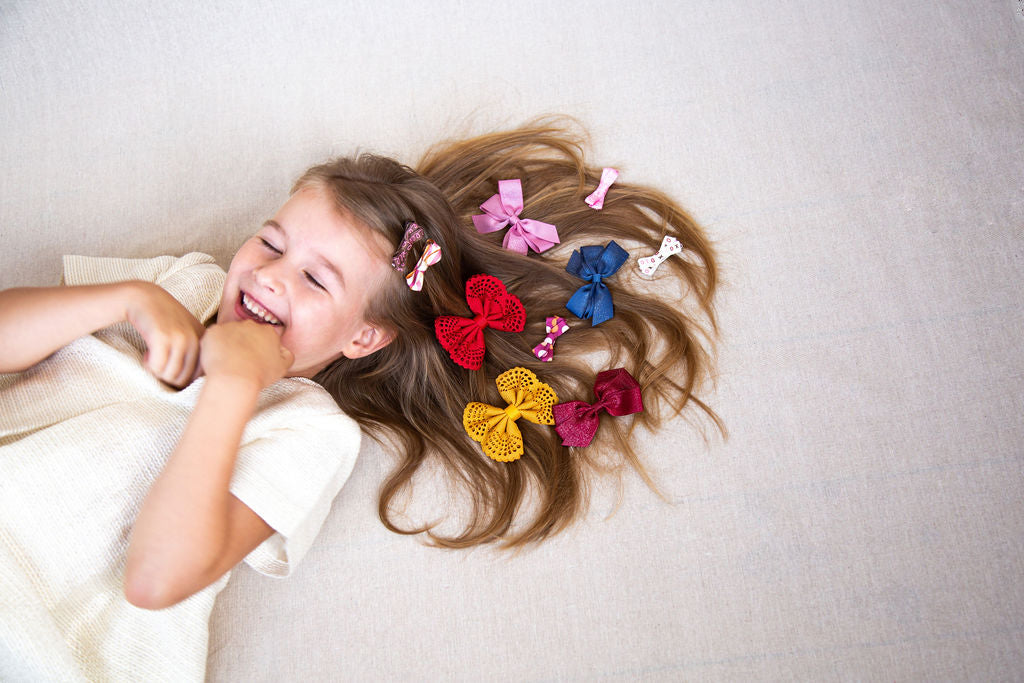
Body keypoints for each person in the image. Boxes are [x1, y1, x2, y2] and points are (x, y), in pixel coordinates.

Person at [0, 119, 721, 679]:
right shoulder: (180, 285)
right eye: (272, 242)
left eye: (317, 281)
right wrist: (128, 296)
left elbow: (155, 579)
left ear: (363, 336)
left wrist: (237, 384)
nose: (273, 275)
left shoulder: (307, 432)